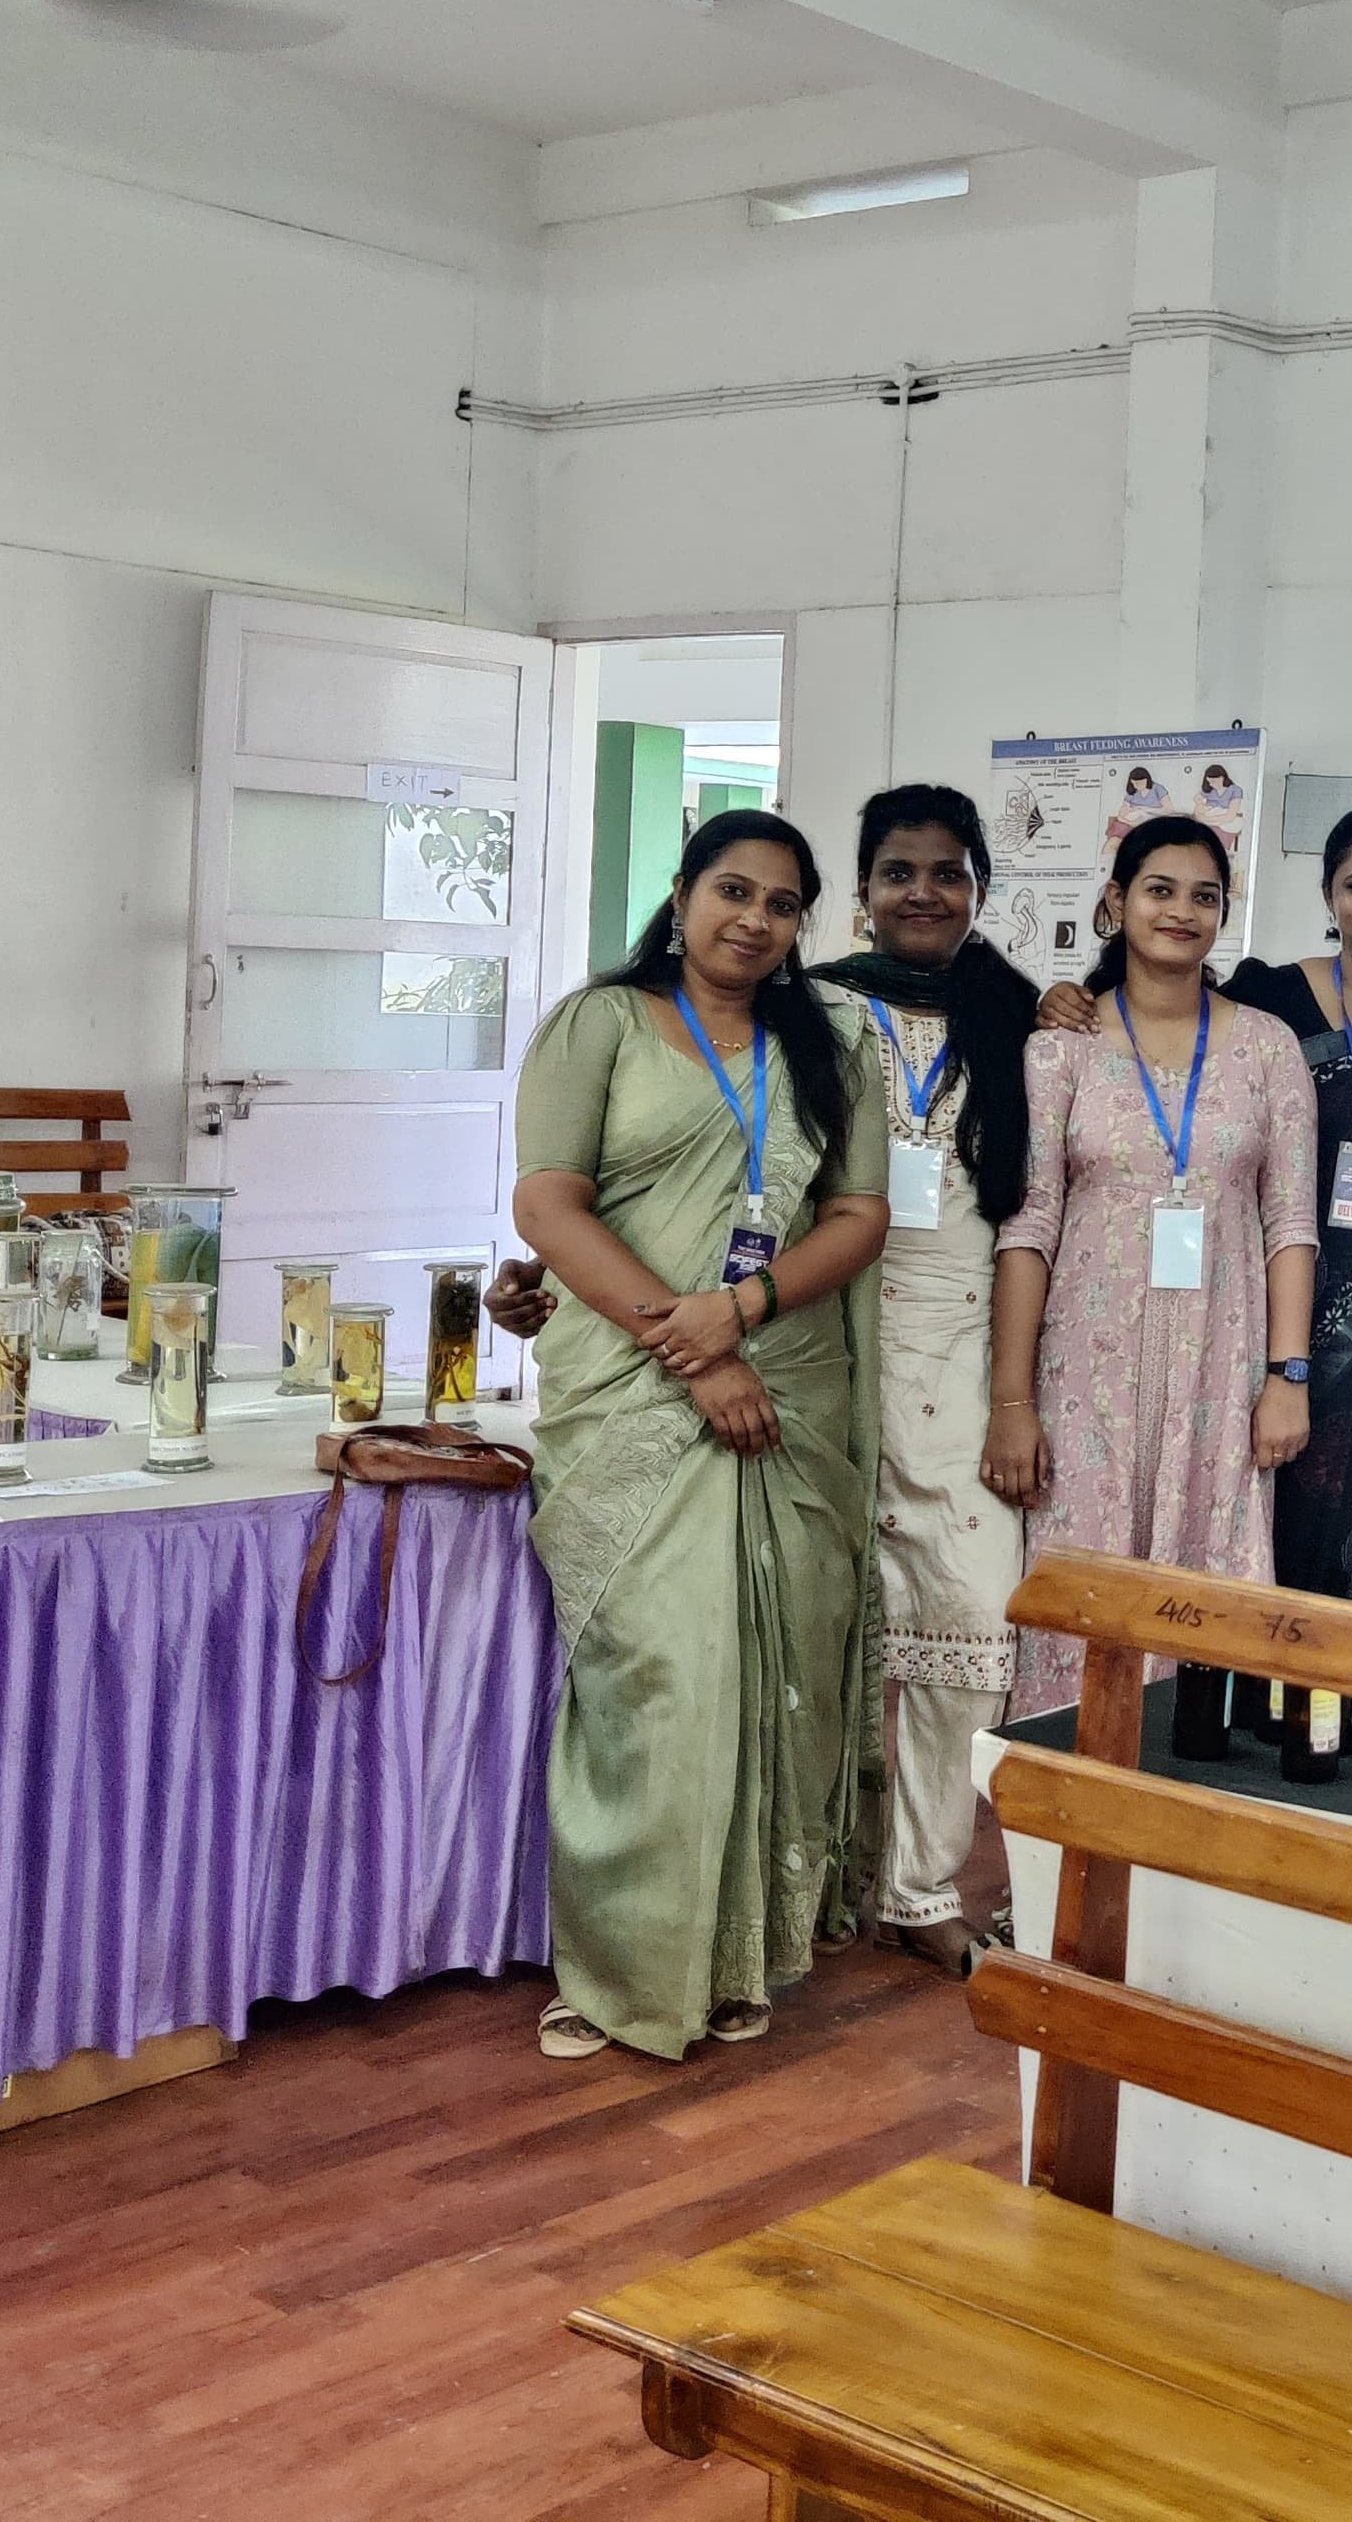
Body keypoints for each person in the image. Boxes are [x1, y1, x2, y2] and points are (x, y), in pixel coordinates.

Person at [508, 809, 889, 2060]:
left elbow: (860, 1212)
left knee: (781, 1673)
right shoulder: (601, 1024)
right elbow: (548, 1201)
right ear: (680, 894)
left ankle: (745, 1959)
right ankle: (628, 1971)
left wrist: (747, 1312)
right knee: (663, 1675)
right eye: (733, 890)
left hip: (790, 1388)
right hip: (633, 1384)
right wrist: (689, 1340)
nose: (754, 920)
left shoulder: (834, 1042)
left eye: (783, 905)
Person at [1040, 802, 1352, 1634]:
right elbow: (1157, 1019)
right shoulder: (1268, 999)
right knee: (1289, 1541)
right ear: (1329, 895)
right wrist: (1066, 996)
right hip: (1272, 1332)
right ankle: (1286, 1736)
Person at [983, 817, 1318, 1716]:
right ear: (1115, 902)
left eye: (1204, 895)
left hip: (1222, 1367)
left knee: (1208, 1588)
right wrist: (1011, 1403)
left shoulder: (1267, 1047)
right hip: (1086, 1371)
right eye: (1159, 889)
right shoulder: (1061, 1047)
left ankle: (1193, 1815)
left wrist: (1288, 1375)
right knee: (1081, 1591)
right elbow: (1028, 1227)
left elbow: (1291, 1222)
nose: (1181, 911)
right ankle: (1065, 1816)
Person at [813, 787, 1042, 1972]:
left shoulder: (1021, 1019)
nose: (920, 892)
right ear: (861, 889)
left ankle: (919, 1887)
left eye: (946, 873)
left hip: (962, 1355)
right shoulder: (810, 1007)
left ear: (978, 892)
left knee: (967, 1620)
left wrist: (1016, 1395)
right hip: (825, 1346)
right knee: (823, 1637)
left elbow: (1029, 1224)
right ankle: (816, 1879)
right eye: (897, 870)